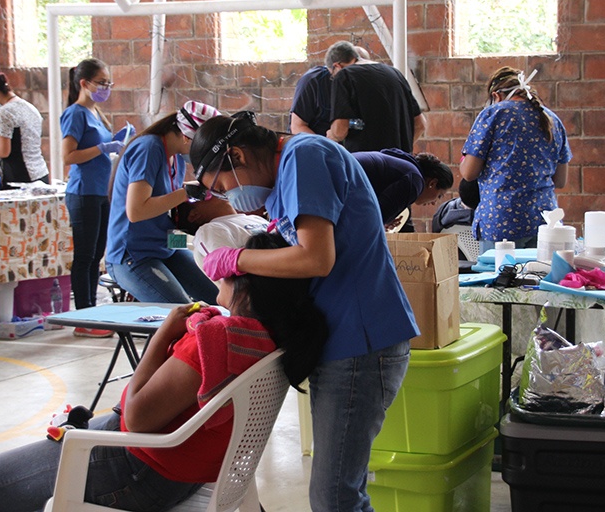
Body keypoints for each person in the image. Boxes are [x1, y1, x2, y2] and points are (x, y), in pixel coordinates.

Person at [0, 231, 329, 512]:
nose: (220, 279)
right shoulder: (271, 339)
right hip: (189, 466)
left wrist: (162, 335)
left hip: (144, 468)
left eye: (228, 272)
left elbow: (135, 419)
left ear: (245, 285)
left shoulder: (219, 339)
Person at [190, 111, 418, 511]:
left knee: (335, 497)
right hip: (345, 342)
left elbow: (316, 258)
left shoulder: (305, 156)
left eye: (223, 186)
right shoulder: (286, 178)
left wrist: (238, 259)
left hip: (361, 342)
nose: (229, 197)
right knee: (339, 493)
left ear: (239, 156)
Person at [105, 111, 219, 305]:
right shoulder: (148, 148)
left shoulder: (176, 158)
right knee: (185, 311)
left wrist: (193, 245)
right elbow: (136, 211)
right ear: (186, 137)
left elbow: (165, 211)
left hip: (166, 245)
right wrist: (186, 193)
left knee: (220, 298)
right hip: (133, 254)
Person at [460, 67, 571, 251]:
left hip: (502, 223)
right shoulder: (552, 119)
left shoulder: (494, 114)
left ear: (496, 96)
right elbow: (560, 180)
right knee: (538, 277)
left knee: (500, 278)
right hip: (544, 222)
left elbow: (469, 173)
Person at [61, 58, 123, 319]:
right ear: (84, 83)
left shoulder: (96, 112)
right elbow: (68, 156)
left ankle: (92, 309)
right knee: (85, 255)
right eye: (101, 83)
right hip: (83, 192)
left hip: (100, 191)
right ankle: (83, 314)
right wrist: (100, 148)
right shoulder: (75, 113)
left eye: (109, 83)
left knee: (97, 253)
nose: (105, 88)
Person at [325, 40, 426, 154]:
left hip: (367, 163)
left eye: (332, 75)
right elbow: (420, 124)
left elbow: (340, 130)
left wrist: (331, 135)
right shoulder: (394, 73)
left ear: (337, 66)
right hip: (400, 163)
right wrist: (402, 148)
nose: (333, 78)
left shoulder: (344, 76)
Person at [0, 63, 49, 186]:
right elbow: (22, 141)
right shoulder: (29, 107)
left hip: (20, 178)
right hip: (40, 174)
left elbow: (3, 152)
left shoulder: (4, 113)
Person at [353, 149, 453, 231]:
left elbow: (376, 215)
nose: (434, 203)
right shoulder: (414, 181)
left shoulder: (406, 165)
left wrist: (385, 219)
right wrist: (381, 221)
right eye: (439, 195)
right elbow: (372, 223)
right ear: (432, 183)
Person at [171, 196, 269, 271]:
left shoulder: (254, 218)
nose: (213, 192)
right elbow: (231, 271)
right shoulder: (210, 230)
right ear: (194, 215)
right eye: (202, 195)